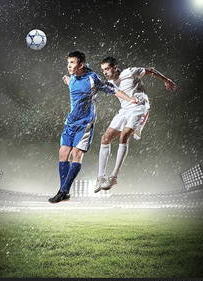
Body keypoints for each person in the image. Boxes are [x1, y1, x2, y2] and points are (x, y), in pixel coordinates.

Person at [48, 51, 137, 203]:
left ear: (81, 64)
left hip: (85, 123)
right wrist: (68, 81)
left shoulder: (92, 78)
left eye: (72, 63)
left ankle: (63, 191)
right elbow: (73, 83)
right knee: (63, 153)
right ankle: (64, 191)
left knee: (76, 154)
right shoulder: (73, 78)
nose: (69, 66)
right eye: (68, 62)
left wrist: (130, 99)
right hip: (70, 122)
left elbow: (113, 90)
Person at [94, 56, 177, 193]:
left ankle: (113, 176)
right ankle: (100, 177)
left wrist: (166, 80)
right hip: (124, 110)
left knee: (124, 135)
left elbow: (150, 70)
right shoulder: (109, 83)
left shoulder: (129, 72)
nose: (105, 72)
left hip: (139, 107)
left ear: (115, 67)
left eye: (107, 69)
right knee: (105, 138)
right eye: (103, 70)